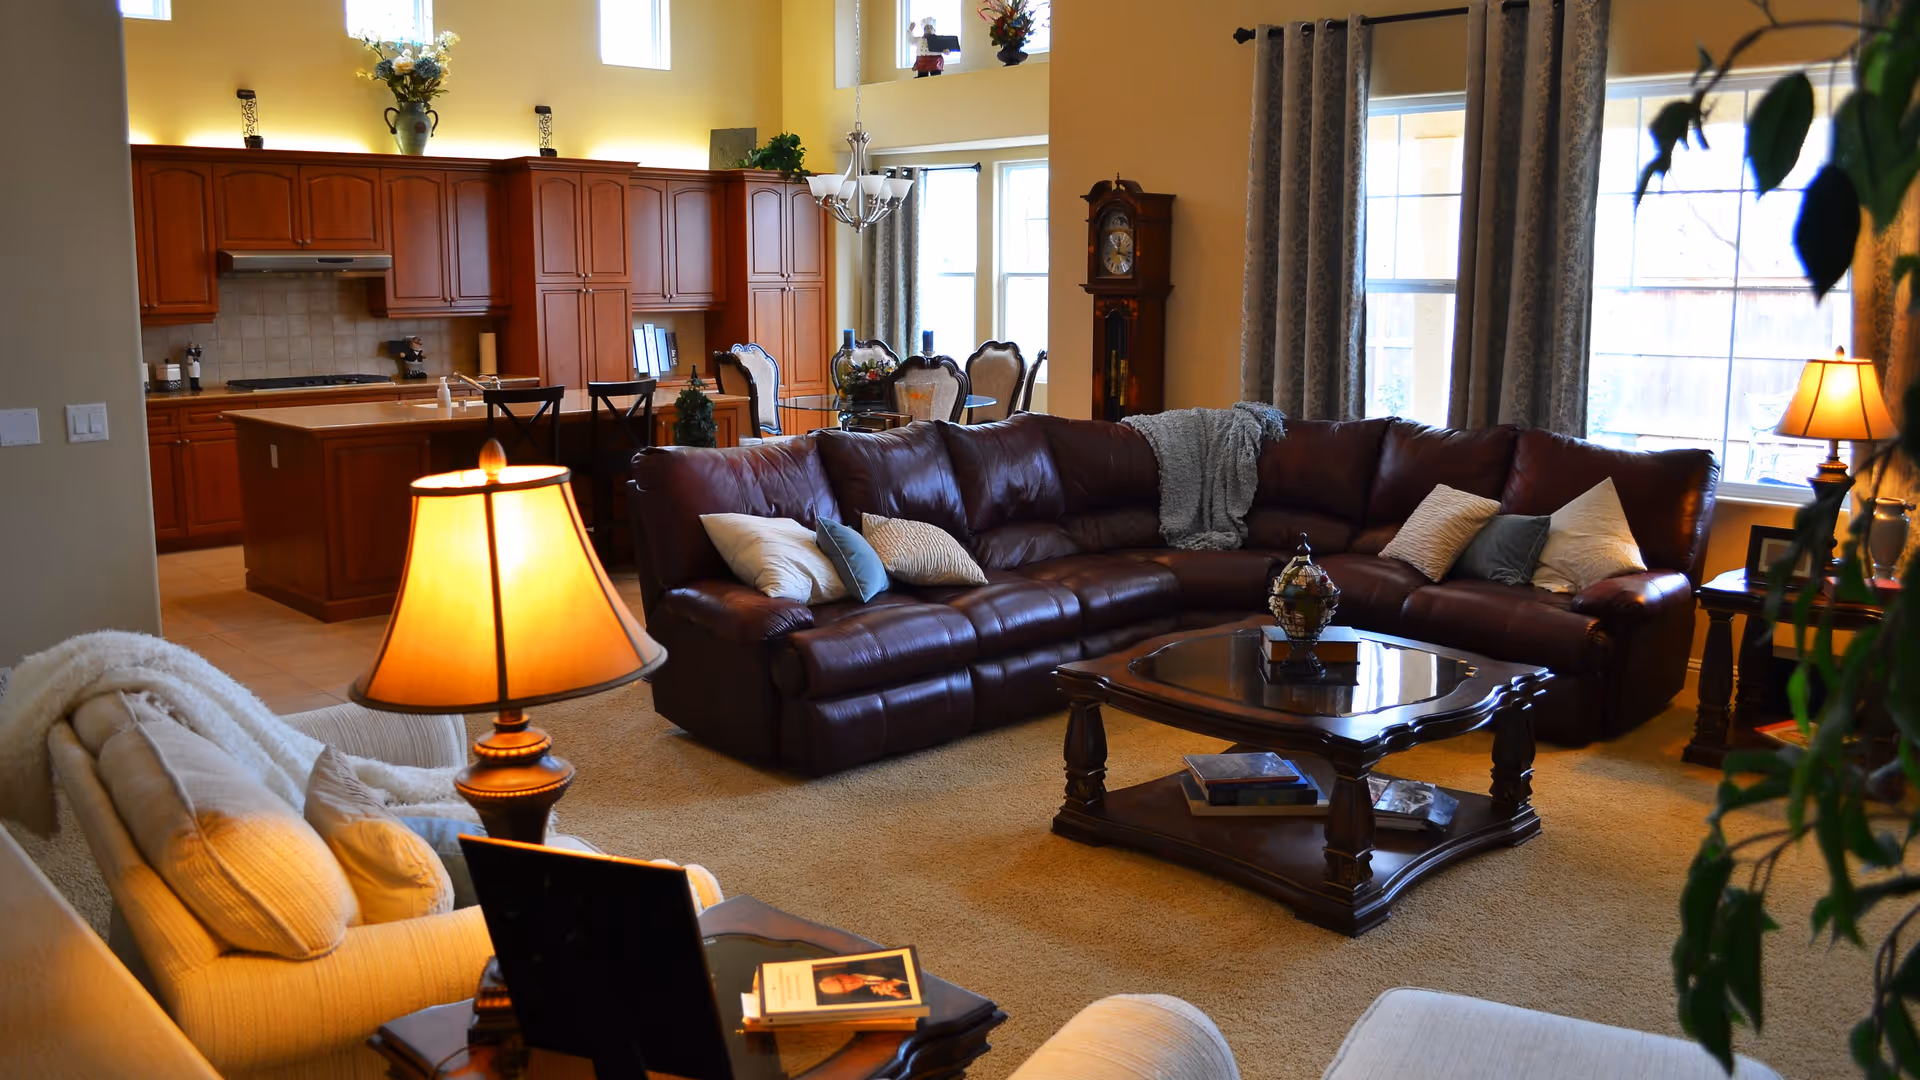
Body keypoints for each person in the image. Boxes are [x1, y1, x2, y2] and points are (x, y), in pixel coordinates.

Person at [818, 971, 909, 1000]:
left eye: (841, 981)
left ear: (840, 975)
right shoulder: (871, 998)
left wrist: (896, 981)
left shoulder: (867, 962)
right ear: (846, 991)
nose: (849, 984)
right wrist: (897, 994)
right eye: (844, 987)